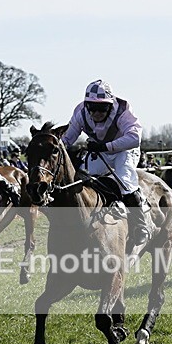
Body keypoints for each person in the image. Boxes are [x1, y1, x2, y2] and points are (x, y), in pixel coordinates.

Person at [60, 79, 152, 246]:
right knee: (83, 179)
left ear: (110, 105)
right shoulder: (80, 112)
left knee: (124, 180)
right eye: (92, 107)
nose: (97, 112)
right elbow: (67, 138)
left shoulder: (123, 110)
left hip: (124, 150)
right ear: (86, 105)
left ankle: (140, 224)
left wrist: (106, 146)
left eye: (102, 108)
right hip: (100, 150)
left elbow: (134, 138)